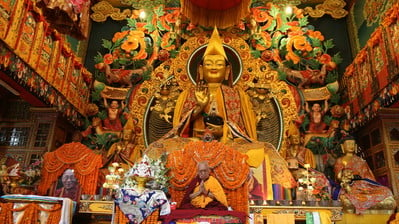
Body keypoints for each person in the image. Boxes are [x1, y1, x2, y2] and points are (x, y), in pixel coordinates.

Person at [334, 137, 396, 214]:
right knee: (348, 195)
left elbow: (368, 177)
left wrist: (359, 179)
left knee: (386, 191)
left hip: (365, 186)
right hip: (349, 185)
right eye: (348, 144)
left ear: (356, 146)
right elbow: (338, 177)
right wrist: (346, 177)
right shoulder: (340, 161)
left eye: (352, 144)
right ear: (342, 147)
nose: (351, 146)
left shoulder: (361, 161)